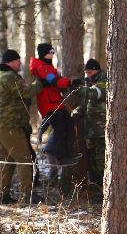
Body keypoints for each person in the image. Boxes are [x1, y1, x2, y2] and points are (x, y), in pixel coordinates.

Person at [0, 49, 45, 204]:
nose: (20, 63)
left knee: (7, 160)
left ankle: (4, 195)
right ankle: (28, 194)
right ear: (9, 63)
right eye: (17, 61)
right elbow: (26, 92)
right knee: (24, 158)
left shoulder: (4, 76)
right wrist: (40, 82)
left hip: (2, 126)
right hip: (9, 126)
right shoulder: (10, 77)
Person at [29, 43, 81, 165]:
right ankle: (60, 156)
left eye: (53, 52)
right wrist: (71, 82)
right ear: (43, 54)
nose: (52, 54)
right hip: (49, 103)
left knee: (69, 123)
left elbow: (58, 79)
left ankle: (68, 151)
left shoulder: (49, 66)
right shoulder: (43, 67)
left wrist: (69, 83)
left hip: (56, 102)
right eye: (49, 52)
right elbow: (54, 81)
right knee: (60, 129)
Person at [71, 58, 107, 187]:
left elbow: (94, 94)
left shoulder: (104, 82)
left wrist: (74, 88)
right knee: (92, 164)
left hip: (103, 133)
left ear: (97, 70)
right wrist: (76, 113)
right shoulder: (89, 84)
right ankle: (96, 189)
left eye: (91, 72)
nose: (88, 75)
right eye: (87, 72)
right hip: (91, 133)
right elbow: (84, 104)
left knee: (102, 163)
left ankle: (105, 191)